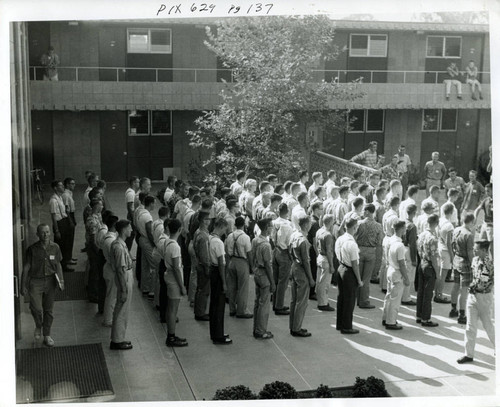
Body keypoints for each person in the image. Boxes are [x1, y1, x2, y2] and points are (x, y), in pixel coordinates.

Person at [21, 224, 64, 347]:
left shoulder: (55, 247)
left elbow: (58, 265)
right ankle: (38, 325)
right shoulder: (32, 249)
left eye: (47, 232)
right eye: (43, 233)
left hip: (50, 281)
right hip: (35, 281)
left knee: (48, 310)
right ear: (37, 234)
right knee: (36, 308)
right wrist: (23, 285)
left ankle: (47, 335)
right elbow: (26, 267)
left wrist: (61, 281)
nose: (46, 235)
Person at [457, 240, 494, 364]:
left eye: (476, 249)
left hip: (484, 298)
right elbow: (475, 277)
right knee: (470, 326)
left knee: (488, 326)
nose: (474, 250)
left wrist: (474, 287)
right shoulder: (475, 260)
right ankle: (469, 354)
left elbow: (485, 282)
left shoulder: (490, 263)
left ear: (484, 250)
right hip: (473, 296)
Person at [160, 219, 188, 347]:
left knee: (170, 308)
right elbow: (176, 267)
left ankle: (171, 334)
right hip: (174, 279)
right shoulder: (175, 246)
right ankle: (171, 337)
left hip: (168, 275)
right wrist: (182, 286)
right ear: (179, 229)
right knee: (173, 309)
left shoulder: (167, 241)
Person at [335, 217, 363, 334]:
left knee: (341, 298)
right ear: (354, 227)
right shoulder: (352, 244)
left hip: (341, 267)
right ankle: (346, 326)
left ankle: (340, 323)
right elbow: (355, 264)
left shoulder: (340, 239)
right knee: (349, 300)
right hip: (349, 271)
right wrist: (359, 280)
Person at [110, 219, 134, 350]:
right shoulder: (118, 247)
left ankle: (119, 338)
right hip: (124, 278)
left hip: (126, 276)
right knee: (121, 310)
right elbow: (120, 270)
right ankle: (117, 340)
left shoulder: (121, 244)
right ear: (124, 229)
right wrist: (124, 289)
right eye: (129, 228)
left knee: (123, 309)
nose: (131, 230)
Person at [289, 216, 315, 337]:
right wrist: (310, 278)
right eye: (309, 224)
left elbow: (289, 251)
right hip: (301, 270)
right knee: (302, 301)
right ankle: (297, 328)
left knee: (294, 300)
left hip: (294, 266)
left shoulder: (294, 235)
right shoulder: (303, 240)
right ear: (305, 225)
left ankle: (293, 326)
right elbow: (306, 261)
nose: (310, 226)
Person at [382, 220, 410, 330]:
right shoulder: (400, 245)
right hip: (397, 272)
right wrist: (406, 278)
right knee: (395, 300)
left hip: (390, 269)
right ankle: (391, 322)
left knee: (388, 297)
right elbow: (402, 264)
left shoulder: (389, 240)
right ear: (402, 229)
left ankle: (386, 318)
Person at [209, 217, 232, 344]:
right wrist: (224, 282)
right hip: (218, 272)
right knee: (219, 306)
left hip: (212, 270)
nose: (225, 232)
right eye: (225, 229)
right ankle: (218, 336)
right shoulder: (218, 242)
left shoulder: (210, 238)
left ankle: (215, 331)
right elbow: (221, 263)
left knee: (214, 304)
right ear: (221, 227)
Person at [356, 203, 384, 309]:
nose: (362, 212)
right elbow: (379, 243)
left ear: (367, 211)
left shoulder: (359, 224)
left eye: (364, 210)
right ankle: (364, 301)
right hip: (371, 251)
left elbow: (354, 236)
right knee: (366, 279)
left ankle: (358, 298)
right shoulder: (378, 226)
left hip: (359, 250)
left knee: (358, 276)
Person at [252, 218, 276, 339]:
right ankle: (261, 330)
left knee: (258, 302)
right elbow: (268, 265)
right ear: (267, 227)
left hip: (257, 272)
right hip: (264, 274)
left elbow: (251, 256)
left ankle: (256, 328)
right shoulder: (266, 245)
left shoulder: (255, 240)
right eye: (271, 226)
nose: (272, 228)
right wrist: (272, 282)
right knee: (264, 304)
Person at [225, 217, 253, 318]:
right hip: (242, 262)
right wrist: (251, 266)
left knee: (232, 287)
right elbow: (249, 253)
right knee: (242, 287)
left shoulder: (229, 236)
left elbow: (226, 251)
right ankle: (241, 310)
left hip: (232, 261)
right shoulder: (245, 237)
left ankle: (232, 309)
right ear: (243, 225)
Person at [450, 214, 475, 325]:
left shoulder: (456, 230)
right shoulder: (469, 235)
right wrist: (473, 264)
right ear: (471, 222)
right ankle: (462, 314)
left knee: (455, 286)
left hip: (456, 259)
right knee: (464, 289)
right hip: (465, 262)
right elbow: (470, 252)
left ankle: (453, 309)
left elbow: (452, 245)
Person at [416, 214, 440, 327]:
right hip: (429, 266)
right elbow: (434, 257)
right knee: (428, 294)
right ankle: (426, 318)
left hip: (421, 263)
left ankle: (419, 315)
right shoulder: (433, 238)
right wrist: (437, 271)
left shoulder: (422, 235)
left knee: (421, 291)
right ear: (436, 223)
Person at [271, 203, 293, 315]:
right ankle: (279, 305)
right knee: (283, 281)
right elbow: (289, 243)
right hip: (284, 252)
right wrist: (291, 256)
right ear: (287, 211)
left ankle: (275, 303)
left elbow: (270, 237)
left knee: (276, 279)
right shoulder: (288, 225)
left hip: (275, 250)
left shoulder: (274, 222)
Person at [49, 180, 74, 272]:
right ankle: (61, 266)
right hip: (59, 224)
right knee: (60, 246)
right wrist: (57, 230)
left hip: (63, 222)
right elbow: (53, 216)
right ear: (55, 188)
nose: (63, 187)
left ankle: (65, 263)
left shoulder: (59, 198)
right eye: (60, 186)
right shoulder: (53, 200)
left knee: (65, 244)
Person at [315, 214, 336, 311]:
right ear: (331, 222)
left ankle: (321, 301)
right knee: (325, 283)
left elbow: (315, 244)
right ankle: (323, 303)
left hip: (320, 257)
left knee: (319, 281)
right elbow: (329, 251)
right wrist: (332, 265)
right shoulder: (328, 235)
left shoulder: (319, 231)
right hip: (325, 259)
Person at [137, 195, 156, 298]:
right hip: (147, 241)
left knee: (145, 265)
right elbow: (149, 232)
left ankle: (145, 288)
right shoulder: (147, 216)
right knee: (153, 266)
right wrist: (154, 244)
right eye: (154, 203)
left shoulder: (140, 212)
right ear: (151, 203)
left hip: (141, 239)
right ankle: (152, 291)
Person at [435, 203, 455, 304]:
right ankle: (439, 295)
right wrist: (452, 257)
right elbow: (449, 243)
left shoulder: (440, 220)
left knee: (439, 274)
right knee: (443, 275)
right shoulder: (449, 225)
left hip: (439, 248)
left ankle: (436, 293)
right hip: (446, 251)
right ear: (451, 212)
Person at [102, 215, 118, 328]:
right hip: (112, 270)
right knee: (111, 296)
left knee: (110, 294)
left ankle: (109, 317)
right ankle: (108, 319)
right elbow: (115, 259)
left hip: (108, 267)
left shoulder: (107, 237)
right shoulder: (111, 241)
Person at [401, 204, 418, 306]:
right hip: (408, 249)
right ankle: (406, 297)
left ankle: (403, 295)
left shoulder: (404, 223)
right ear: (414, 213)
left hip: (403, 247)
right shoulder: (412, 226)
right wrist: (414, 259)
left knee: (404, 273)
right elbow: (413, 243)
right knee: (410, 275)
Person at [62, 177, 77, 266]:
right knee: (68, 239)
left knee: (71, 239)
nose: (74, 185)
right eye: (72, 184)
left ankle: (69, 257)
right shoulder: (66, 195)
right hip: (68, 216)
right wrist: (70, 221)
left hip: (71, 215)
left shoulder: (69, 193)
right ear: (67, 184)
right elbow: (66, 209)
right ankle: (67, 258)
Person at [125, 176, 140, 251]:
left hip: (132, 216)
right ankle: (127, 252)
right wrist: (134, 221)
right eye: (137, 182)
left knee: (131, 235)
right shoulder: (131, 193)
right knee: (130, 236)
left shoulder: (132, 192)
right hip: (132, 217)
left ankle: (127, 252)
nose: (139, 183)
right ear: (134, 183)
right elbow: (130, 208)